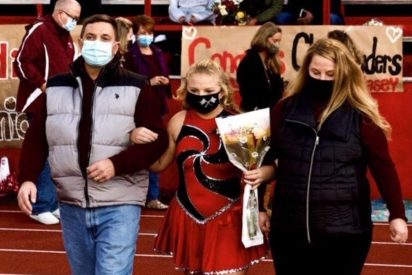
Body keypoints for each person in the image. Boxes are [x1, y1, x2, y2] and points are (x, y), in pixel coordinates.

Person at [16, 14, 168, 274]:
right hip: (72, 203)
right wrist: (28, 178)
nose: (97, 42)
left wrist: (115, 164)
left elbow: (158, 140)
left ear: (116, 47)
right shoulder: (55, 86)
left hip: (120, 201)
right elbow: (36, 138)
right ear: (81, 41)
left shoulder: (137, 85)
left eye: (105, 38)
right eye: (91, 37)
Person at [268, 38, 408, 275]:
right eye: (315, 72)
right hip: (288, 228)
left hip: (345, 232)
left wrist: (397, 215)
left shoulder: (362, 116)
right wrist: (261, 207)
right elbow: (265, 157)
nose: (322, 79)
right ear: (306, 71)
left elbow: (384, 168)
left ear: (343, 74)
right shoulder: (284, 109)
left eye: (330, 74)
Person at [137, 59, 274, 274]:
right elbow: (159, 164)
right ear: (185, 90)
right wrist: (138, 140)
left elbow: (269, 168)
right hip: (189, 215)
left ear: (222, 91)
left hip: (231, 216)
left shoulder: (240, 123)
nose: (202, 95)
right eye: (194, 90)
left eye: (209, 90)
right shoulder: (178, 121)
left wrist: (260, 178)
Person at [14, 0, 81, 225]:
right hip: (39, 101)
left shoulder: (67, 37)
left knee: (56, 153)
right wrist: (42, 84)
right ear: (59, 12)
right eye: (72, 16)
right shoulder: (40, 29)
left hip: (61, 103)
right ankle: (39, 204)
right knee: (41, 151)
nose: (75, 22)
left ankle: (51, 202)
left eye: (77, 18)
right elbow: (22, 62)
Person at [124, 14, 171, 210]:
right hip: (136, 106)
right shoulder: (130, 54)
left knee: (155, 148)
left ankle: (152, 196)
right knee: (135, 149)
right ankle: (134, 195)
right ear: (135, 34)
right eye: (143, 33)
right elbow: (129, 79)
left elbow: (166, 74)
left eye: (149, 33)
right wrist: (148, 82)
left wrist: (165, 81)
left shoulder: (158, 52)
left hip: (156, 107)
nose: (147, 36)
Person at [236, 22, 284, 112]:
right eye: (275, 41)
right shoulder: (249, 62)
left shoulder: (272, 62)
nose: (277, 45)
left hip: (271, 113)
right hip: (253, 114)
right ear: (264, 39)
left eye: (279, 41)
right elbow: (248, 93)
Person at [276, 0, 343, 25]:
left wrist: (313, 16)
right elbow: (292, 5)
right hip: (302, 15)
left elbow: (334, 7)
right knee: (281, 18)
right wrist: (303, 14)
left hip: (323, 16)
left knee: (333, 18)